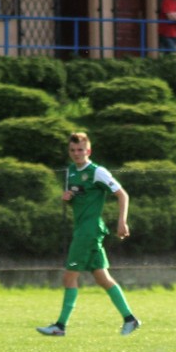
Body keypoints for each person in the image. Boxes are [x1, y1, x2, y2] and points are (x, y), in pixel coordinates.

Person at [37, 132, 141, 337]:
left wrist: (122, 222)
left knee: (69, 277)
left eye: (80, 150)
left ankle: (60, 326)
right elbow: (77, 197)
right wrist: (67, 198)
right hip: (84, 229)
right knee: (103, 278)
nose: (77, 154)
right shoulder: (70, 172)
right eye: (73, 150)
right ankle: (130, 319)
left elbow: (122, 194)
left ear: (88, 151)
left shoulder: (97, 171)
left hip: (89, 231)